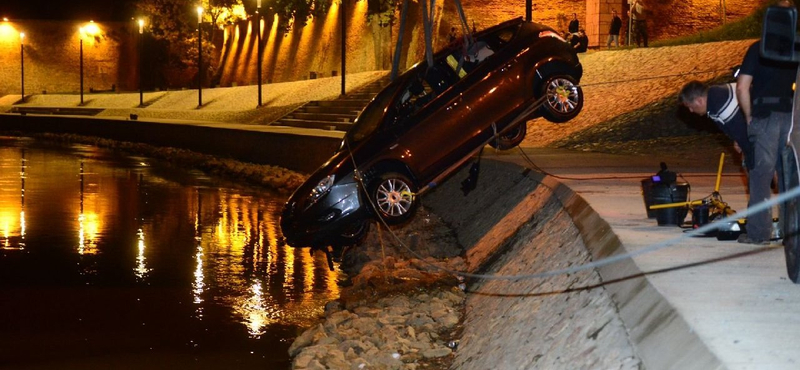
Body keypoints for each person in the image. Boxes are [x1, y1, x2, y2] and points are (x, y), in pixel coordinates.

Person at [735, 0, 799, 244]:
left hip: (765, 117)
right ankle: (790, 234)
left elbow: (742, 87)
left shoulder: (758, 48)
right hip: (791, 118)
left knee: (760, 177)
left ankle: (759, 234)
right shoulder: (796, 49)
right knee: (788, 178)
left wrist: (749, 116)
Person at [678, 81, 753, 171]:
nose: (691, 110)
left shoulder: (720, 103)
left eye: (690, 106)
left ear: (699, 100)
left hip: (767, 119)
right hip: (760, 123)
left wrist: (747, 156)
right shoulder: (713, 99)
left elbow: (742, 134)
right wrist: (737, 140)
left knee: (755, 163)